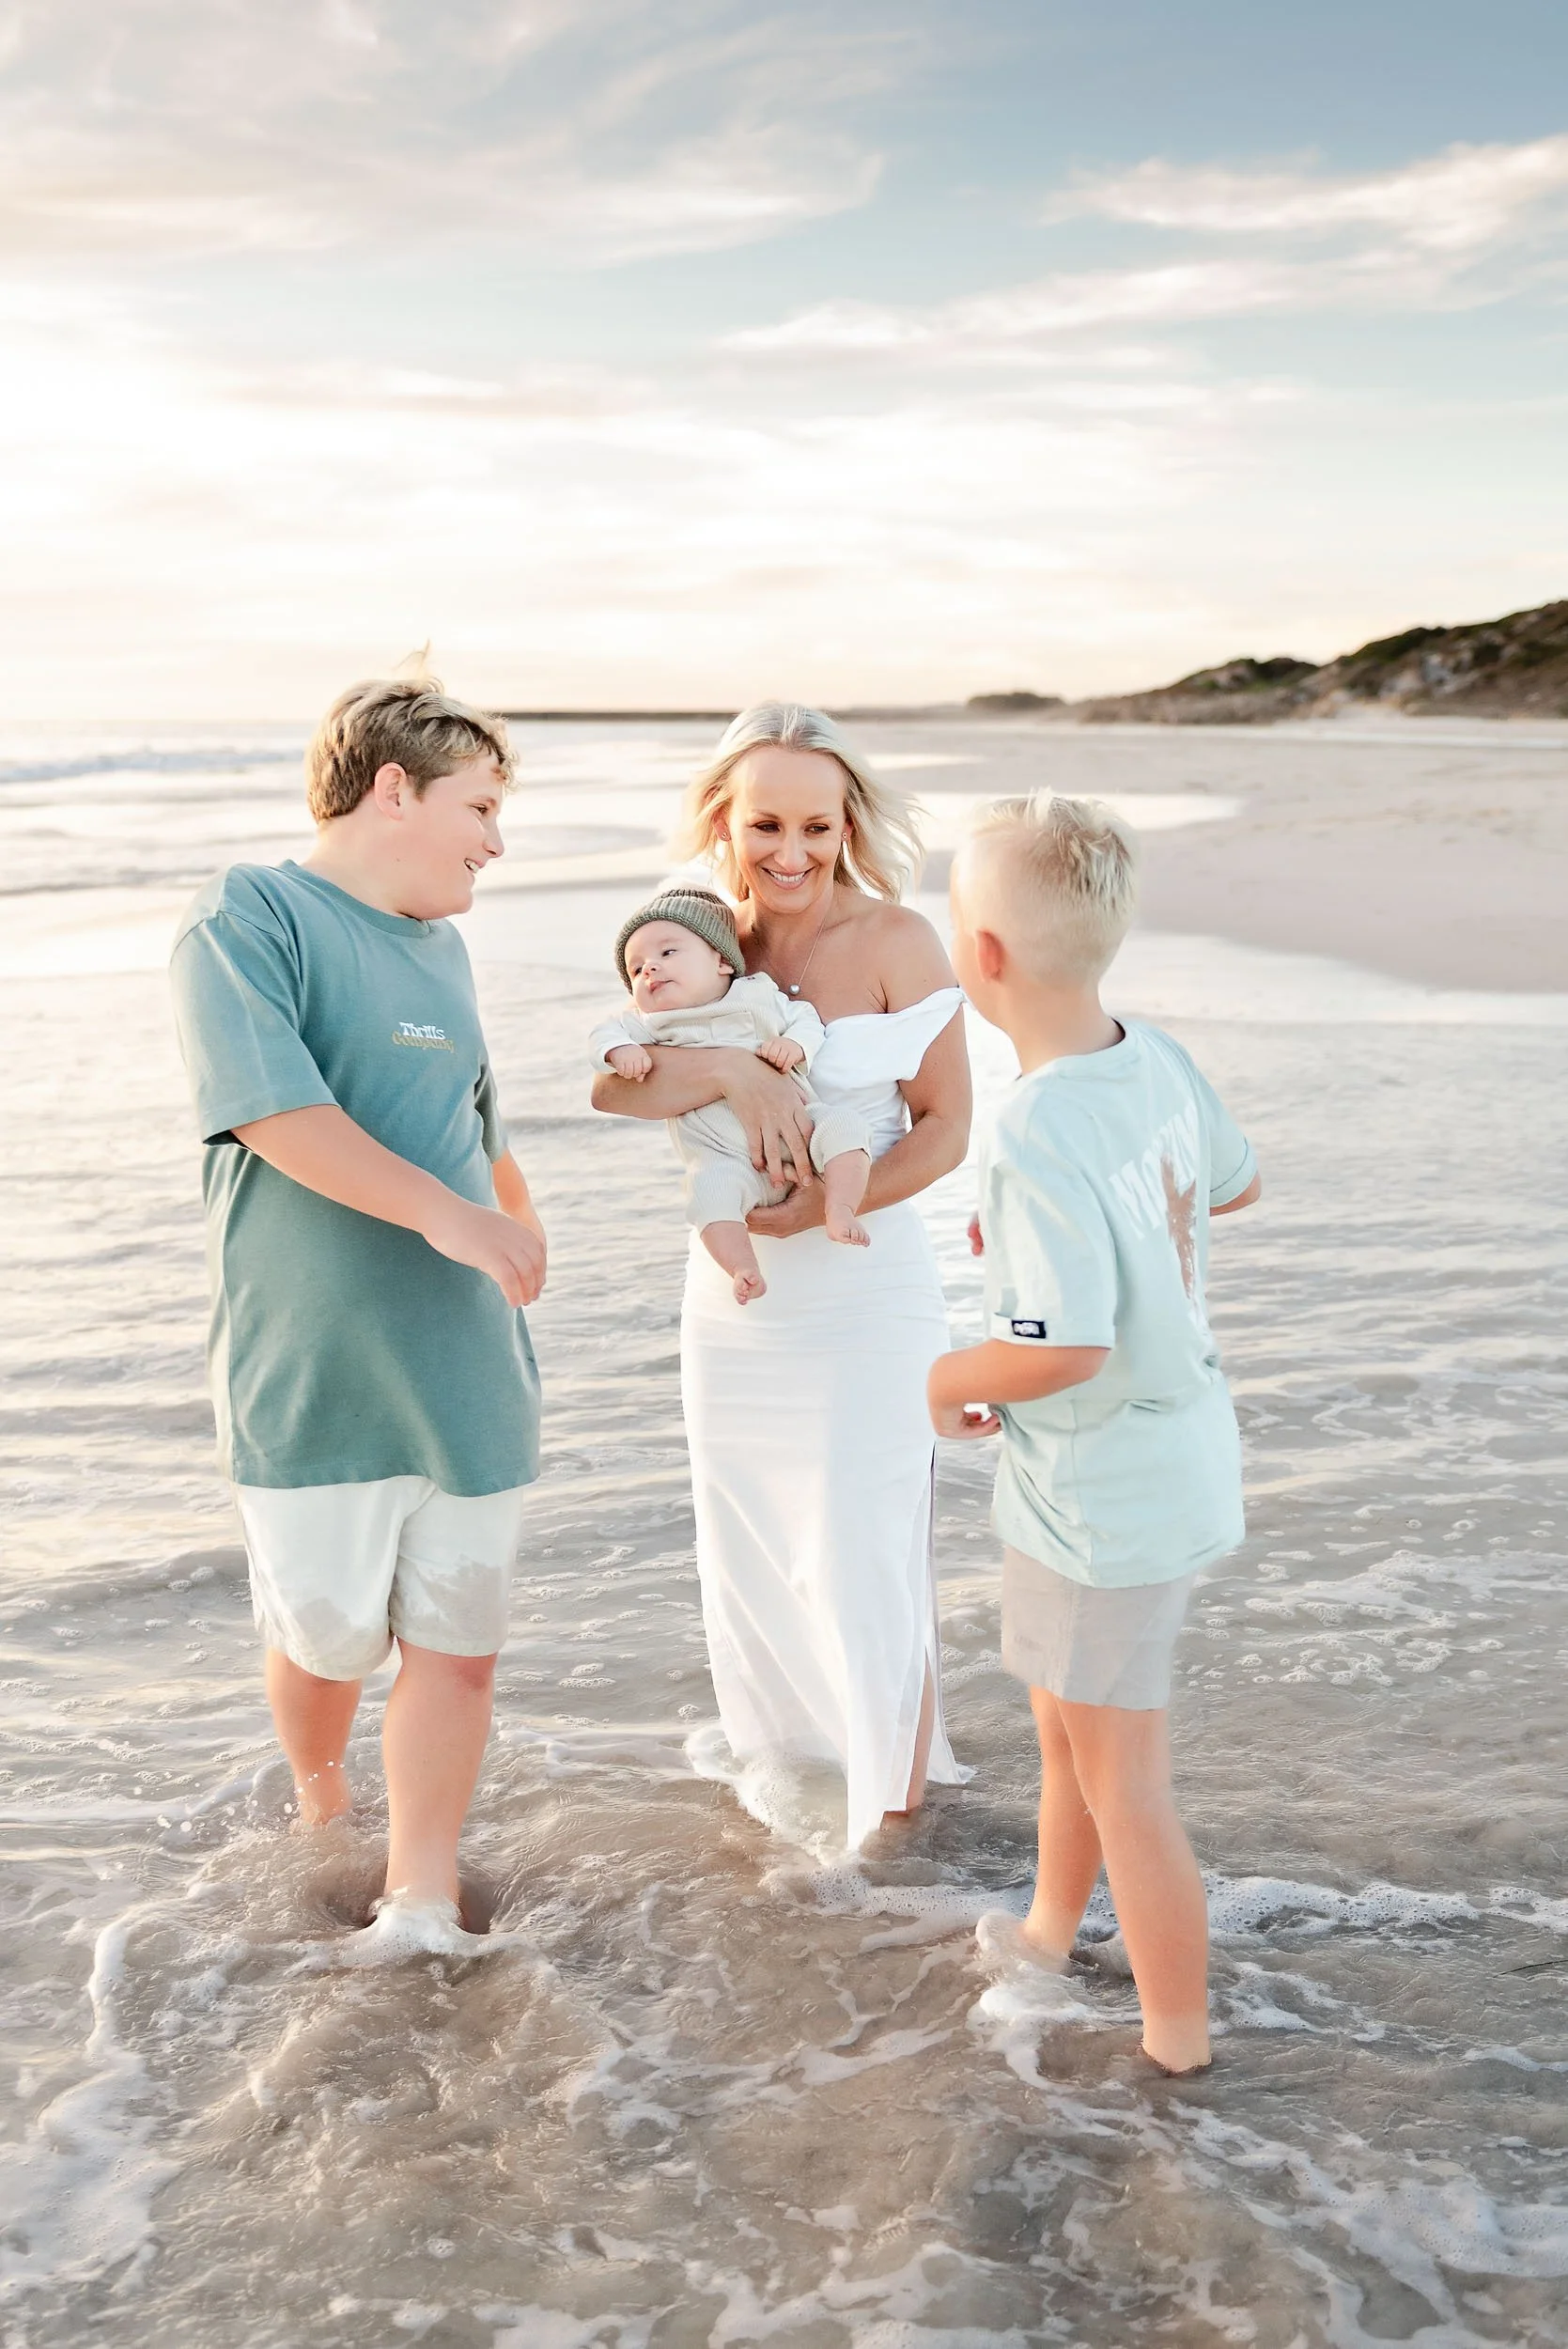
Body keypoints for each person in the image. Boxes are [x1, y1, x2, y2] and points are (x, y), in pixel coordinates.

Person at [168, 678, 545, 1954]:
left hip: (467, 1359)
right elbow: (276, 1114)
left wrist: (511, 1218)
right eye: (480, 806)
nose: (496, 839)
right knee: (327, 1644)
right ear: (394, 787)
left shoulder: (446, 949)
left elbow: (481, 1132)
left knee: (461, 1645)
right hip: (314, 1367)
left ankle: (421, 1891)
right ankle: (324, 1803)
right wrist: (445, 1218)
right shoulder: (249, 914)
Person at [590, 703, 971, 1848]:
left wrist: (818, 1205)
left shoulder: (899, 939)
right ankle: (797, 1802)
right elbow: (619, 1087)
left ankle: (892, 1841)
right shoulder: (696, 937)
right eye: (765, 824)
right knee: (755, 1555)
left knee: (862, 1557)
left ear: (849, 818)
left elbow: (946, 1126)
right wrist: (735, 1077)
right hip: (738, 1299)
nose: (792, 853)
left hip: (862, 1285)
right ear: (724, 818)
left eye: (816, 823)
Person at [929, 791, 1260, 2077]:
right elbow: (1232, 1182)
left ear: (985, 957)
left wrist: (944, 1374)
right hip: (1152, 1460)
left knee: (1126, 1779)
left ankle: (1178, 2046)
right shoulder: (1151, 1053)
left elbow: (1059, 1349)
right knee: (1068, 1727)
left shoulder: (1030, 1125)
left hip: (1101, 1484)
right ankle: (1049, 1930)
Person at [590, 882, 874, 1303]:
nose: (649, 969)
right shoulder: (649, 1025)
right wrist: (617, 1050)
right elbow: (602, 1036)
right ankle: (742, 1267)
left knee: (845, 1127)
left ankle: (839, 1206)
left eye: (667, 953)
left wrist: (796, 1045)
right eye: (635, 969)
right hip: (726, 1160)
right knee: (707, 1192)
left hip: (803, 1132)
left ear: (722, 960)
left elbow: (805, 1018)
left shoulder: (756, 994)